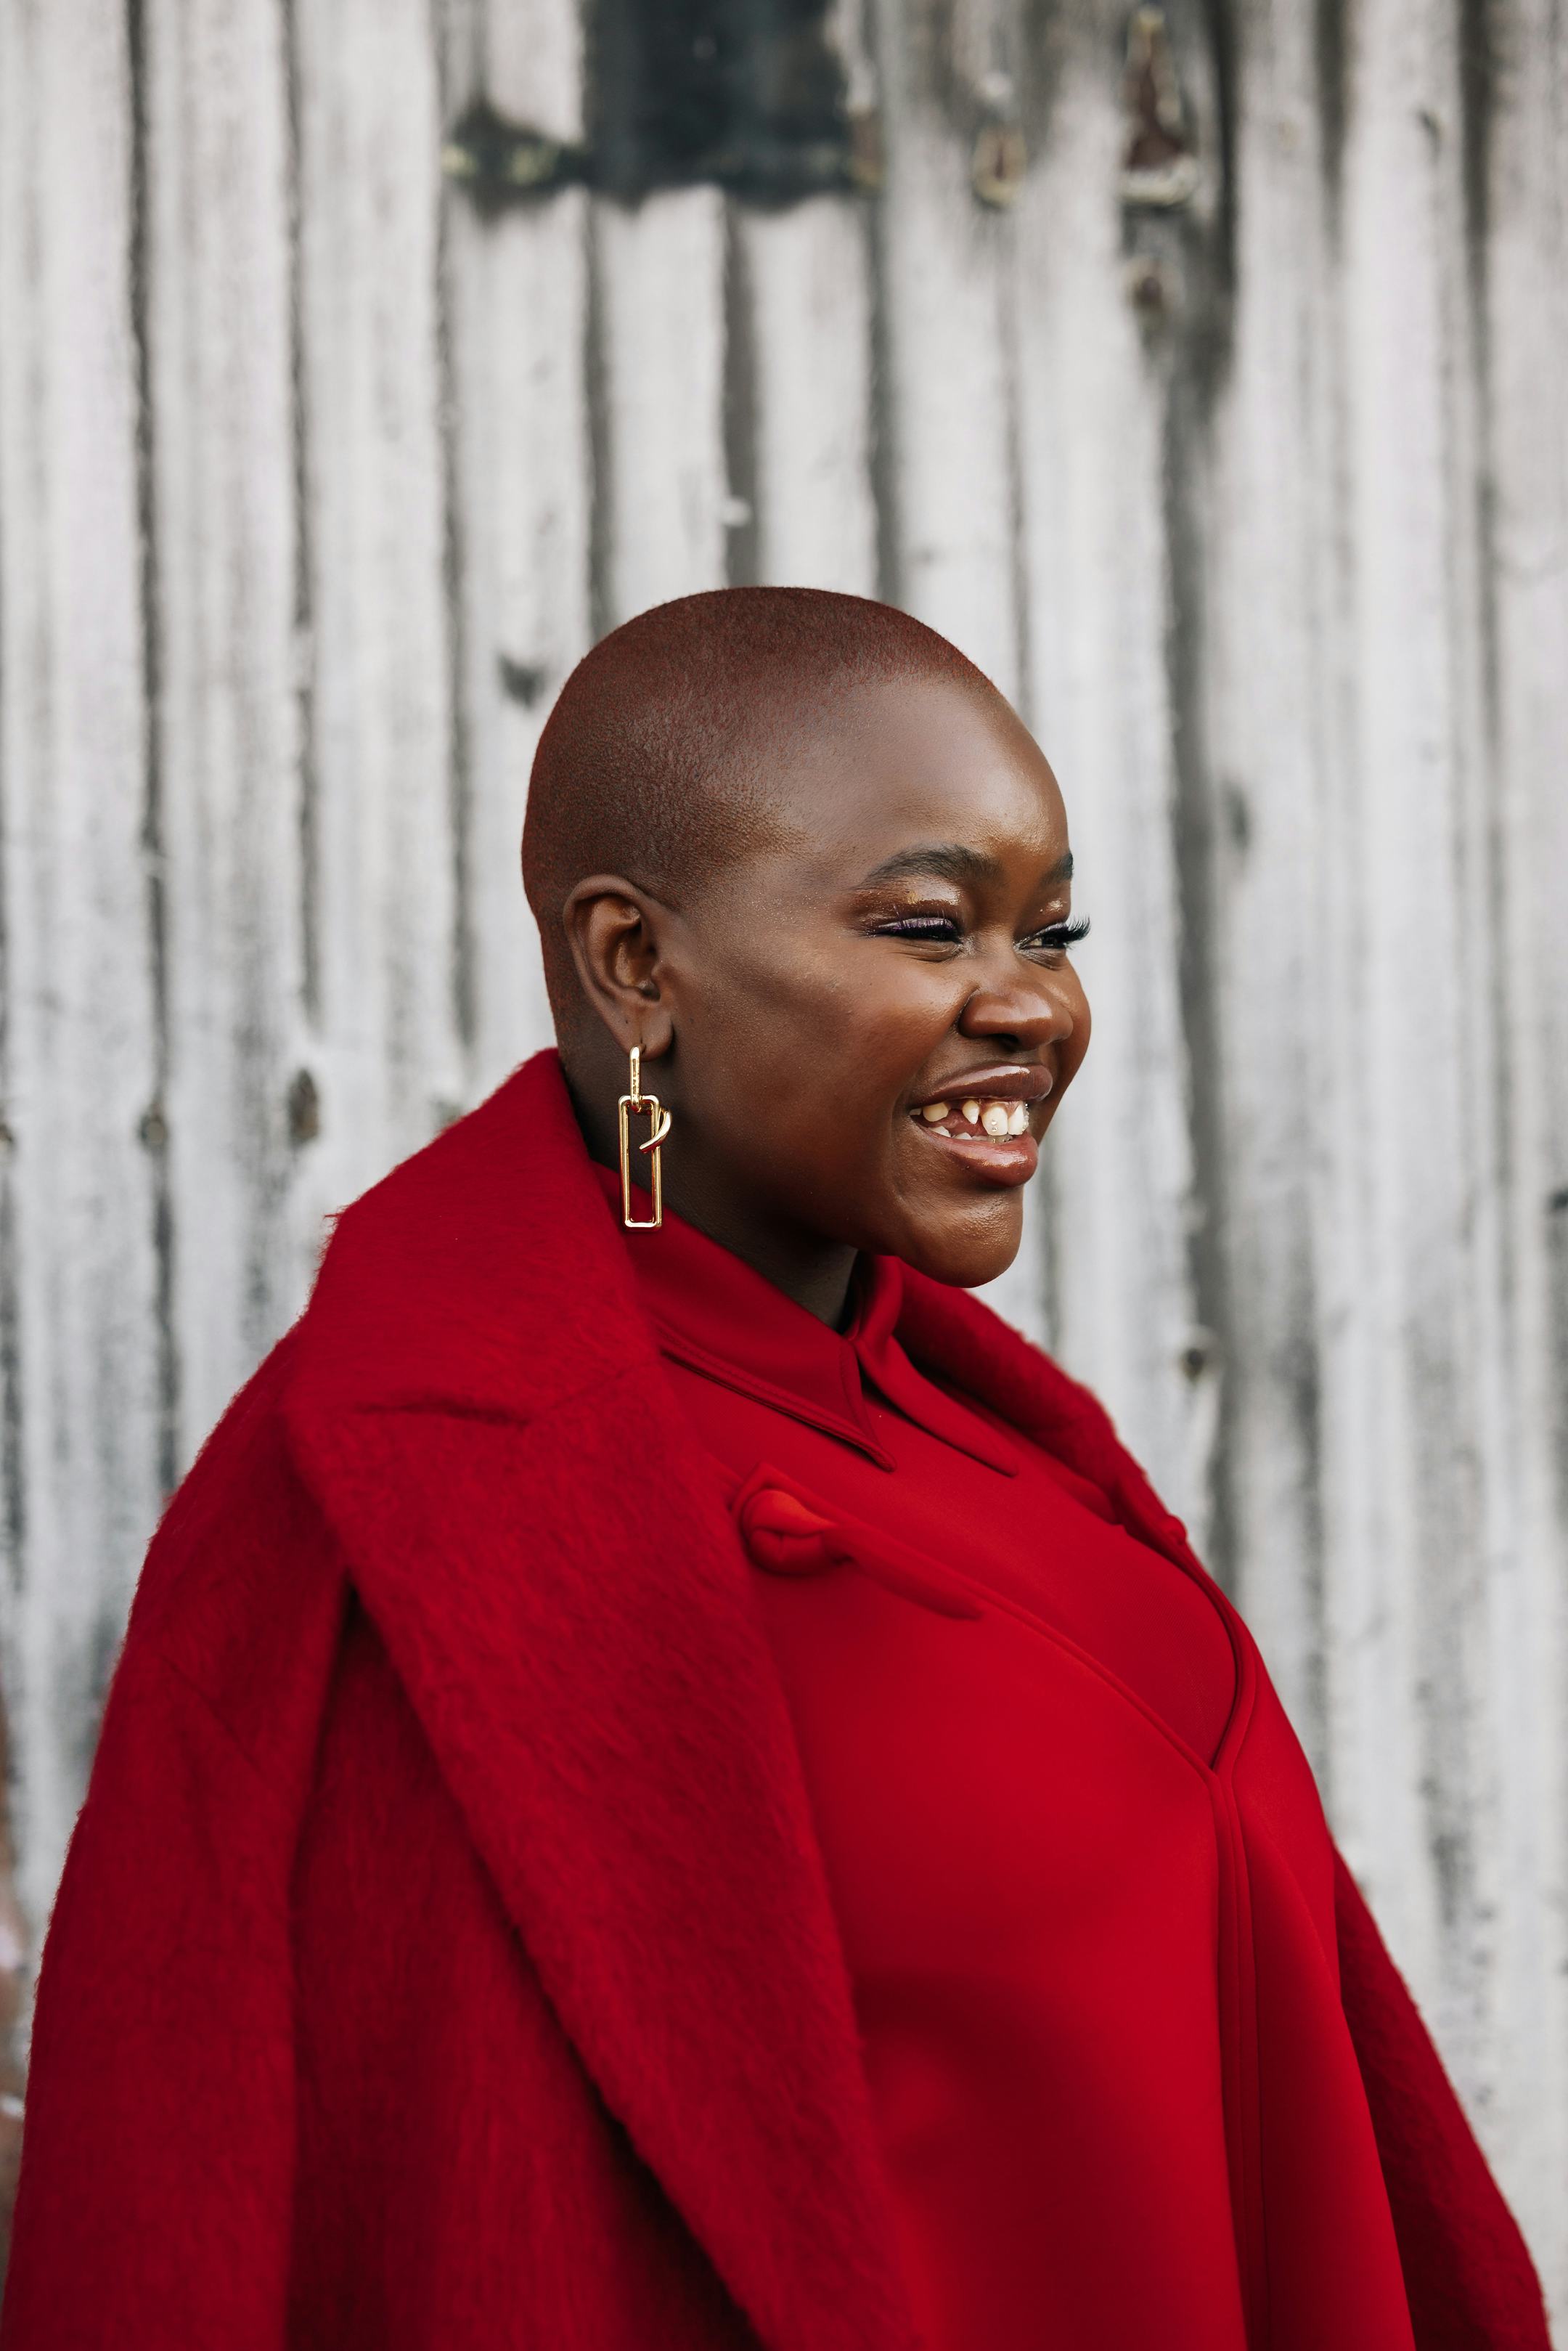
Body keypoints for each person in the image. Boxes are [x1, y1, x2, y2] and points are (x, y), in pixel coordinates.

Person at [1, 590, 1548, 2350]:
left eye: (1054, 927)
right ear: (634, 964)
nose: (1030, 1002)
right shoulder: (396, 1523)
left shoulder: (1009, 1452)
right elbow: (213, 2214)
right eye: (927, 923)